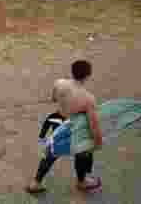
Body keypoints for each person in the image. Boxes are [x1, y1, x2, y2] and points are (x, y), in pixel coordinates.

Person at [26, 61, 103, 194]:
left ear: (72, 71)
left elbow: (54, 99)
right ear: (88, 76)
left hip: (59, 122)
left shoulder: (59, 83)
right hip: (75, 128)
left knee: (51, 152)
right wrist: (97, 142)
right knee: (82, 153)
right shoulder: (88, 99)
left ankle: (35, 183)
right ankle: (82, 181)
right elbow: (93, 125)